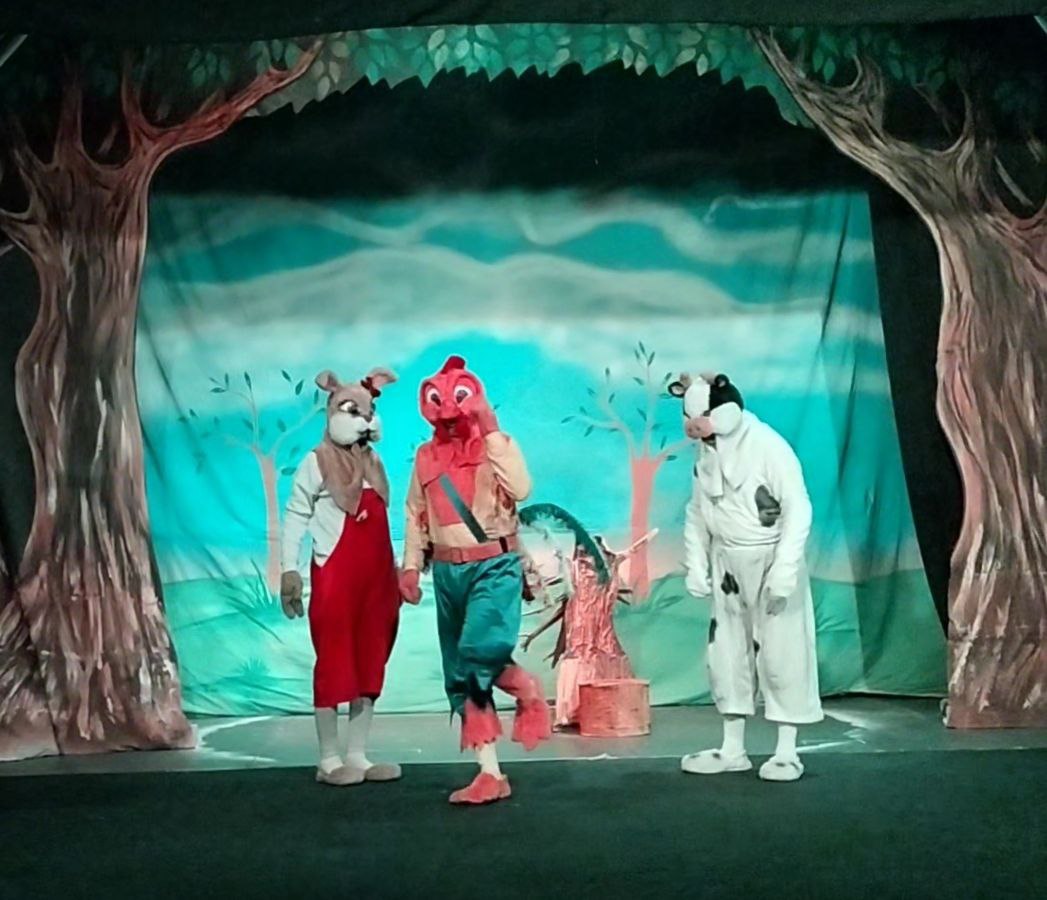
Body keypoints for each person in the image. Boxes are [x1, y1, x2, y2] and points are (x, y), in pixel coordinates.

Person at [399, 355, 551, 805]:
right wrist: (411, 566)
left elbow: (521, 489)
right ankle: (490, 773)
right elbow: (415, 513)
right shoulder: (426, 457)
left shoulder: (494, 446)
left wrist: (490, 427)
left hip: (493, 566)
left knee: (477, 653)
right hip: (448, 571)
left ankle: (525, 689)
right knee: (460, 673)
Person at [668, 372, 822, 782]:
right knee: (726, 653)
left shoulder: (767, 446)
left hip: (769, 557)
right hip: (728, 564)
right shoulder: (706, 454)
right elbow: (698, 510)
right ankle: (732, 747)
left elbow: (797, 506)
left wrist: (785, 569)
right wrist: (696, 564)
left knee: (782, 653)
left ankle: (786, 750)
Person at [280, 367, 403, 786]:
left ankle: (357, 754)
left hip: (376, 580)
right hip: (336, 574)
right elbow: (296, 514)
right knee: (334, 661)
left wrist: (399, 573)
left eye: (367, 412)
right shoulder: (317, 461)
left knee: (371, 658)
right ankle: (329, 758)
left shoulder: (375, 463)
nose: (363, 420)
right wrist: (290, 569)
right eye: (353, 411)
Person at [524, 531, 656, 729]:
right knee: (580, 655)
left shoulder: (606, 563)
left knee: (606, 651)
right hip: (581, 619)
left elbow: (626, 554)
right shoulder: (576, 564)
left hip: (599, 620)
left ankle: (614, 709)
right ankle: (573, 710)